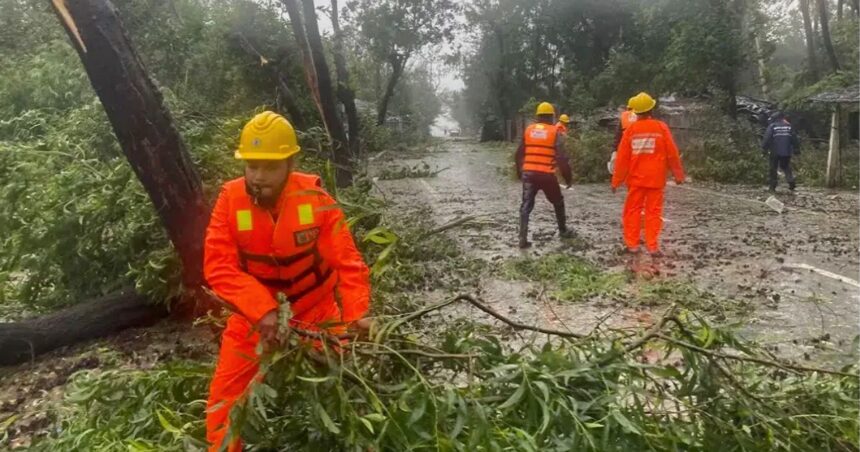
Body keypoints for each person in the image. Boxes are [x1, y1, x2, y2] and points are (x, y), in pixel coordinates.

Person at [203, 111, 371, 451]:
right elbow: (218, 266)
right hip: (253, 320)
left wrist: (357, 315)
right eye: (252, 166)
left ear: (290, 164)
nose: (258, 177)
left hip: (316, 313)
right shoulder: (230, 200)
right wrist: (261, 310)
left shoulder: (315, 200)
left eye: (270, 167)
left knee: (344, 391)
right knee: (225, 404)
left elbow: (349, 263)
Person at [611, 92, 685, 257]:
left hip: (636, 180)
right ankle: (652, 246)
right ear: (652, 108)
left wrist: (616, 181)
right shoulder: (661, 127)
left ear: (636, 112)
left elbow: (622, 159)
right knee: (653, 213)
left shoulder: (630, 130)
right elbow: (672, 153)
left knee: (632, 211)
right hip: (656, 180)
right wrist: (678, 175)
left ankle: (633, 245)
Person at [516, 101, 574, 249]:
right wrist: (568, 179)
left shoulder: (529, 130)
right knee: (558, 202)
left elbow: (518, 154)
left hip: (529, 175)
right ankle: (563, 231)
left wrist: (519, 172)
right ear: (552, 117)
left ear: (537, 116)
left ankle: (522, 238)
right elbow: (562, 159)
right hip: (547, 175)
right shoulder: (555, 132)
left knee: (526, 206)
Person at [762, 111, 799, 192]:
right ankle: (791, 181)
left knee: (773, 168)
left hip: (774, 151)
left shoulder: (772, 126)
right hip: (786, 151)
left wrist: (764, 149)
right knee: (785, 166)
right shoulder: (789, 126)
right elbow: (794, 138)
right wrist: (796, 149)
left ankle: (772, 187)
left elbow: (767, 138)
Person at [609, 104, 637, 174]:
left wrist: (614, 151)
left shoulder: (624, 117)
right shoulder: (645, 117)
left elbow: (617, 136)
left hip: (627, 149)